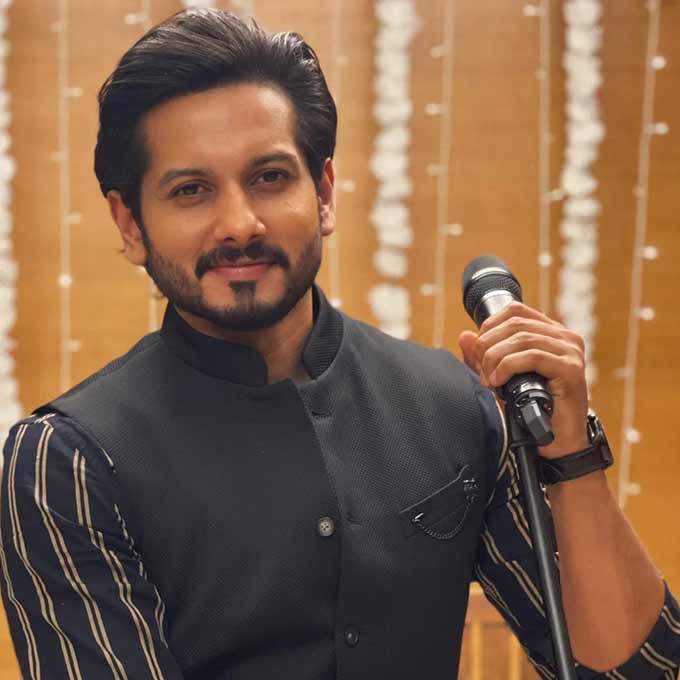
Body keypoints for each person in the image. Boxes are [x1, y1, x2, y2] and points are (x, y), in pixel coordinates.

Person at [1, 8, 679, 680]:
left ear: (323, 193)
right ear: (130, 224)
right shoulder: (69, 463)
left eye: (269, 177)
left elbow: (635, 673)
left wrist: (573, 456)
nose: (239, 223)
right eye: (191, 190)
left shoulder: (457, 405)